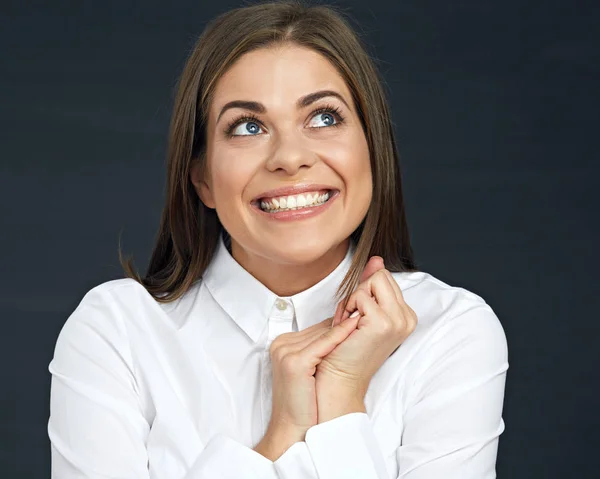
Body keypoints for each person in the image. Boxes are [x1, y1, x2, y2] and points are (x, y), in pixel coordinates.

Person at [47, 1, 509, 477]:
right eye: (248, 127)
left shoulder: (451, 332)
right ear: (202, 178)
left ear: (372, 150)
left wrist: (342, 396)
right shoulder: (118, 331)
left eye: (324, 118)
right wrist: (282, 434)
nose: (289, 157)